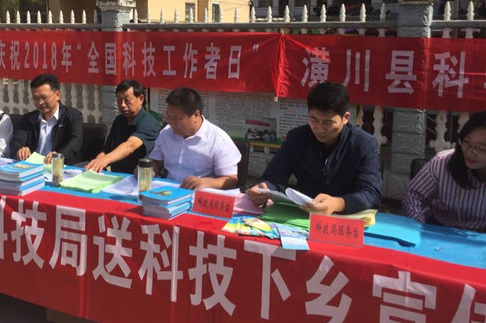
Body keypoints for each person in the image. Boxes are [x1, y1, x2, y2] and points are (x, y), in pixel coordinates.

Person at [248, 82, 381, 215]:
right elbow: (273, 177)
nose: (320, 129)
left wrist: (337, 203)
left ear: (345, 118)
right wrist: (263, 188)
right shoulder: (297, 138)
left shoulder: (364, 144)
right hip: (304, 214)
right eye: (314, 120)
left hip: (346, 217)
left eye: (328, 122)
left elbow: (371, 193)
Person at [402, 111, 486, 231]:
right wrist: (418, 226)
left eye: (480, 148)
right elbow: (412, 194)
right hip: (440, 227)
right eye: (467, 142)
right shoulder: (443, 162)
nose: (470, 152)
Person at [147, 87, 241, 190]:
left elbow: (231, 180)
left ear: (196, 115)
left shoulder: (218, 139)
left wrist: (205, 182)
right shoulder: (166, 133)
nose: (171, 122)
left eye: (176, 118)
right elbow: (157, 162)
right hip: (168, 191)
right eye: (168, 116)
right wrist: (146, 170)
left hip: (199, 193)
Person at [85, 79, 159, 174]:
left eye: (127, 100)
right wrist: (95, 164)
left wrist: (104, 160)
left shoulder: (149, 123)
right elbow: (106, 150)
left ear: (141, 99)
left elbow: (130, 145)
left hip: (138, 177)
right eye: (119, 100)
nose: (122, 105)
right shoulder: (119, 120)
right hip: (117, 176)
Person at [10, 73, 83, 164]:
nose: (40, 102)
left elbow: (76, 141)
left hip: (60, 166)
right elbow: (16, 142)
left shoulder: (73, 116)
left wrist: (59, 156)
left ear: (57, 95)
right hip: (33, 166)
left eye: (44, 98)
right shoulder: (29, 119)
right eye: (36, 98)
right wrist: (20, 150)